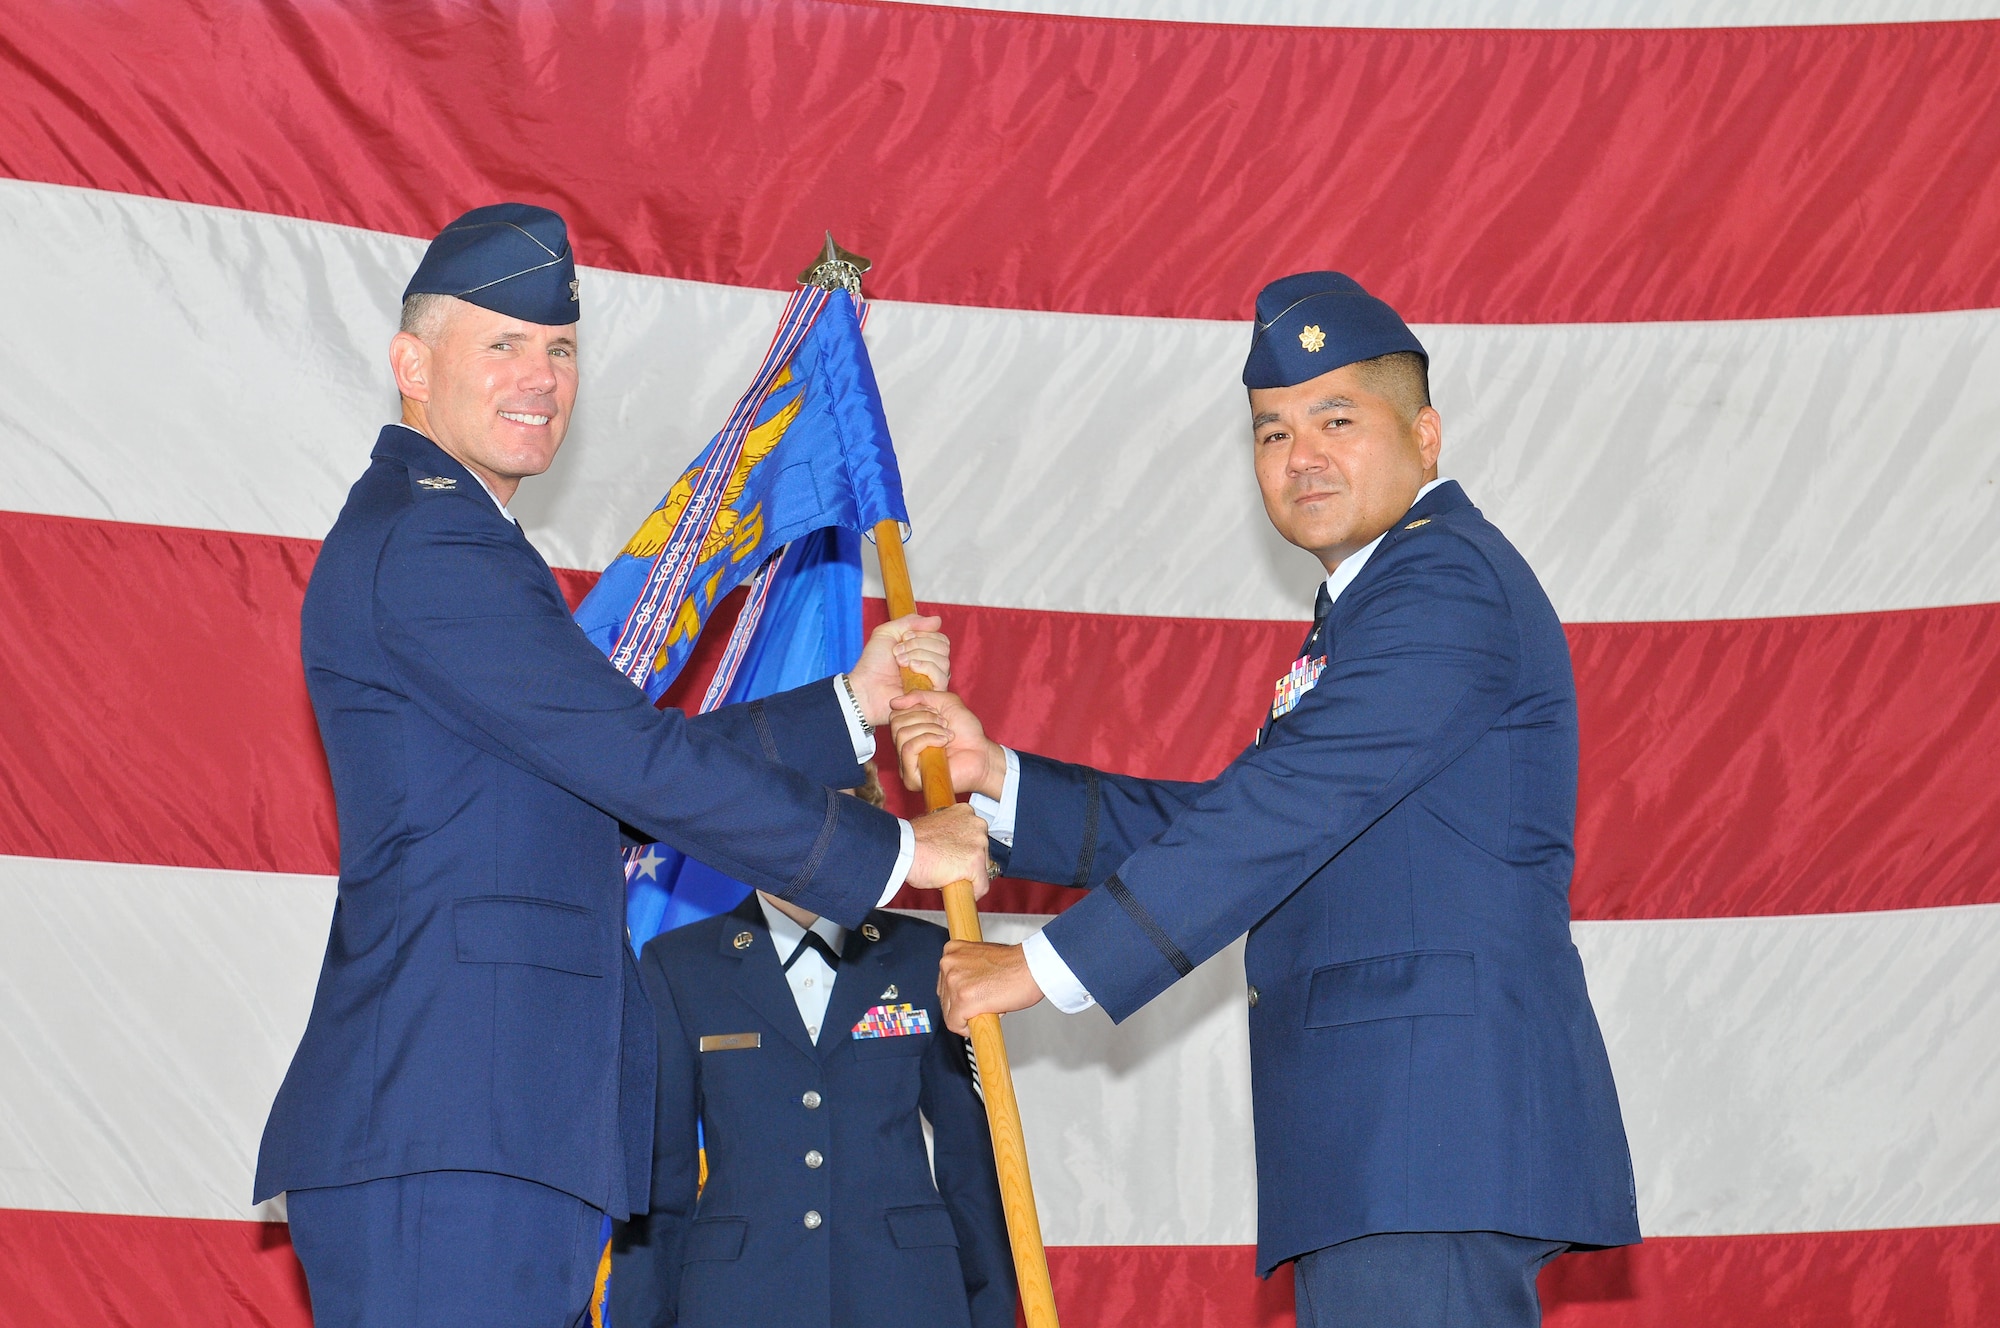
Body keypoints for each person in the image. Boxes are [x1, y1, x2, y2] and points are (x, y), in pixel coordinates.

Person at [252, 203, 992, 1328]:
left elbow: (595, 775)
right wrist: (890, 850)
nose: (539, 374)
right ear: (410, 363)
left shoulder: (456, 540)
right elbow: (631, 758)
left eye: (557, 348)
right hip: (453, 1119)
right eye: (499, 341)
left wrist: (847, 704)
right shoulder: (430, 540)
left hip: (492, 1120)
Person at [889, 272, 1640, 1327]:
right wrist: (997, 781)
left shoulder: (1441, 585)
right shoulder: (1374, 607)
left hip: (1422, 1136)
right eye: (1271, 432)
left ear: (1425, 436)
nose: (1302, 458)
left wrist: (1040, 968)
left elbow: (1282, 809)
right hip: (1386, 1148)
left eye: (1336, 419)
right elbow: (1258, 821)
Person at [608, 875, 1015, 1328]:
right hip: (740, 1296)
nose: (805, 835)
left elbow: (972, 1165)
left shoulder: (926, 956)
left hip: (903, 1292)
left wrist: (991, 1309)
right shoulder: (681, 963)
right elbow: (659, 1175)